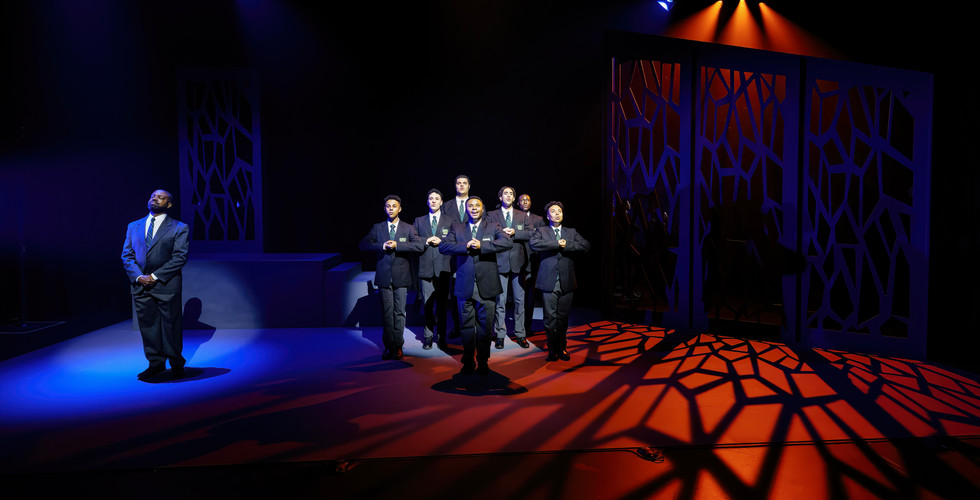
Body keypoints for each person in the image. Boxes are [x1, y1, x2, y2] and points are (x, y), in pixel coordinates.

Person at [121, 189, 190, 380]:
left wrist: (154, 276)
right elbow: (127, 256)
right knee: (148, 327)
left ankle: (176, 364)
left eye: (160, 197)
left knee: (171, 327)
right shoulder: (133, 226)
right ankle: (155, 364)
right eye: (153, 196)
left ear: (169, 204)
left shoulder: (179, 227)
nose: (155, 198)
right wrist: (138, 277)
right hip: (141, 286)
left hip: (166, 285)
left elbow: (179, 257)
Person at [439, 196, 512, 375]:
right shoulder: (458, 228)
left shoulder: (493, 226)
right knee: (466, 327)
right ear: (466, 209)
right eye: (470, 205)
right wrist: (465, 246)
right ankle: (468, 360)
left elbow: (507, 242)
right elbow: (443, 246)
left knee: (485, 328)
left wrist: (482, 245)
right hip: (465, 286)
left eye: (477, 205)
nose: (473, 208)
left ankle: (483, 360)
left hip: (487, 285)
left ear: (482, 208)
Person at [359, 195, 423, 360]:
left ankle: (398, 346)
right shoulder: (378, 228)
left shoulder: (408, 228)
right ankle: (389, 346)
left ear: (399, 209)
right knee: (387, 313)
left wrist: (397, 245)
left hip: (401, 276)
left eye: (394, 206)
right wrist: (381, 245)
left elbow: (419, 245)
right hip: (384, 276)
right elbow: (363, 244)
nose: (391, 209)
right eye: (388, 206)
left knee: (399, 312)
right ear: (385, 209)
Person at [529, 201, 590, 362]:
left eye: (559, 211)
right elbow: (533, 244)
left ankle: (562, 346)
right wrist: (556, 244)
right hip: (548, 281)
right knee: (550, 318)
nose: (557, 214)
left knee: (563, 318)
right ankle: (552, 347)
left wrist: (566, 245)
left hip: (567, 280)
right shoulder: (541, 231)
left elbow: (585, 246)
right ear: (547, 216)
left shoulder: (571, 232)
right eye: (553, 211)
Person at [486, 186, 533, 349]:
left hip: (518, 262)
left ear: (514, 198)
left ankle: (520, 334)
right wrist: (501, 233)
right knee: (501, 300)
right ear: (500, 197)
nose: (508, 196)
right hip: (499, 261)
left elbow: (531, 233)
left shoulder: (522, 215)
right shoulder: (491, 215)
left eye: (511, 194)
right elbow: (486, 233)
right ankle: (500, 334)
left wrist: (515, 233)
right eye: (505, 193)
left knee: (520, 300)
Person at [413, 189, 454, 349]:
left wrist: (441, 241)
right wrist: (426, 240)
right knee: (427, 305)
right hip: (426, 268)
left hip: (443, 268)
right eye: (431, 198)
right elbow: (413, 240)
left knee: (443, 306)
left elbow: (454, 240)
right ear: (427, 201)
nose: (434, 201)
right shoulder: (419, 220)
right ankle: (428, 336)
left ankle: (442, 337)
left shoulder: (450, 220)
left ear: (441, 202)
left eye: (437, 198)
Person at [441, 174, 472, 338]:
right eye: (458, 183)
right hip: (451, 254)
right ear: (455, 186)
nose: (461, 185)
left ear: (469, 186)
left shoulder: (476, 204)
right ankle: (457, 326)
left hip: (470, 253)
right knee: (454, 292)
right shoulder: (446, 206)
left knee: (471, 290)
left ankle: (471, 325)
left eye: (464, 183)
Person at [517, 193, 545, 332]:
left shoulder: (538, 219)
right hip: (516, 259)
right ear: (517, 203)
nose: (525, 202)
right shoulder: (514, 217)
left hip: (533, 260)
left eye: (527, 200)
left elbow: (542, 238)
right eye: (522, 200)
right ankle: (518, 325)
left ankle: (527, 325)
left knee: (530, 294)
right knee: (517, 295)